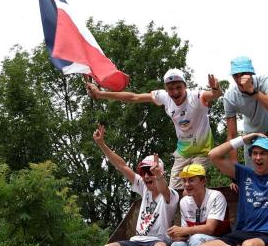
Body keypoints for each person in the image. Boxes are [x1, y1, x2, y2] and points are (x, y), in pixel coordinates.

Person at [92, 124, 179, 246]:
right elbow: (121, 166)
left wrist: (159, 176)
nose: (147, 176)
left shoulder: (170, 195)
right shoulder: (144, 188)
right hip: (137, 239)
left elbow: (165, 189)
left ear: (160, 173)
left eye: (151, 172)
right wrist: (102, 144)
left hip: (156, 241)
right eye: (144, 172)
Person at [86, 69, 222, 190]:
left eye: (178, 87)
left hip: (202, 150)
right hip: (183, 152)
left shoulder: (196, 97)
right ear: (166, 89)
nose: (175, 92)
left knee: (193, 180)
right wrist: (101, 94)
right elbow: (134, 97)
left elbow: (214, 95)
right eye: (171, 88)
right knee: (173, 192)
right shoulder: (164, 97)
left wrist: (216, 88)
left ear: (185, 86)